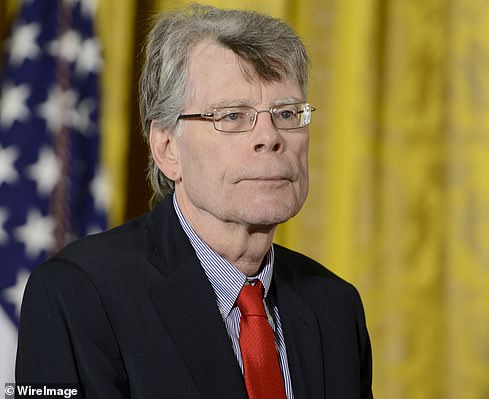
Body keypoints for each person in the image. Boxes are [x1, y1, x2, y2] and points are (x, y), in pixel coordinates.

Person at [16, 4, 373, 398]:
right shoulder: (78, 295)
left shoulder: (335, 307)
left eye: (286, 113)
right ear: (167, 148)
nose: (271, 137)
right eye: (233, 116)